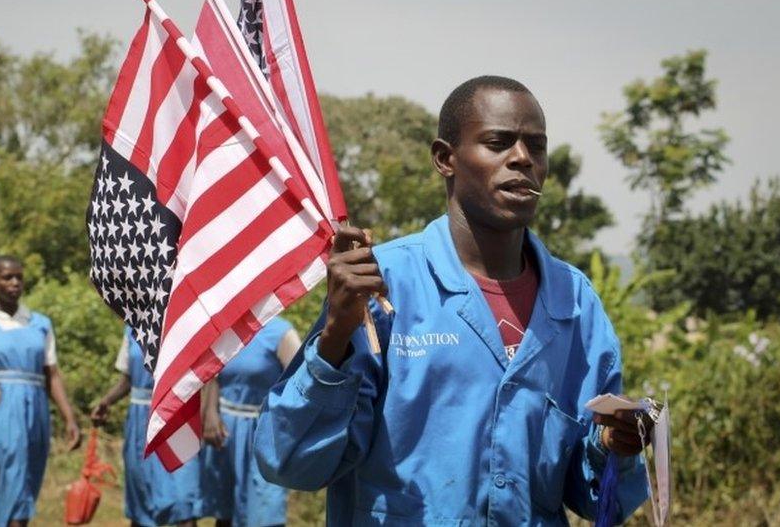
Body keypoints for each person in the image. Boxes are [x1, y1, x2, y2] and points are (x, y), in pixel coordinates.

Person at [254, 76, 651, 525]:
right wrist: (335, 339)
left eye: (535, 147)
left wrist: (614, 449)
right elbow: (289, 462)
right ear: (446, 159)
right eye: (498, 143)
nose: (522, 159)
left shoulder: (575, 304)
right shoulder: (381, 286)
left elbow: (599, 500)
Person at [0, 255, 81, 527]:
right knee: (11, 476)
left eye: (19, 277)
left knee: (30, 475)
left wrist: (69, 417)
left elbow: (52, 375)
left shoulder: (40, 324)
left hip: (36, 408)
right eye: (7, 277)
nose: (14, 283)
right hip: (1, 410)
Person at [91, 326, 203, 527]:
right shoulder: (132, 329)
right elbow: (127, 379)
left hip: (176, 416)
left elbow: (205, 371)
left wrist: (209, 414)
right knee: (141, 498)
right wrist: (106, 401)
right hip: (141, 421)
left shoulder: (187, 318)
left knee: (183, 499)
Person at [200, 316, 302, 527]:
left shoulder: (280, 333)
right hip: (225, 432)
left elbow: (301, 382)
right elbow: (212, 373)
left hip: (263, 433)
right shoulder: (225, 329)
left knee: (265, 510)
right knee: (225, 513)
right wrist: (210, 413)